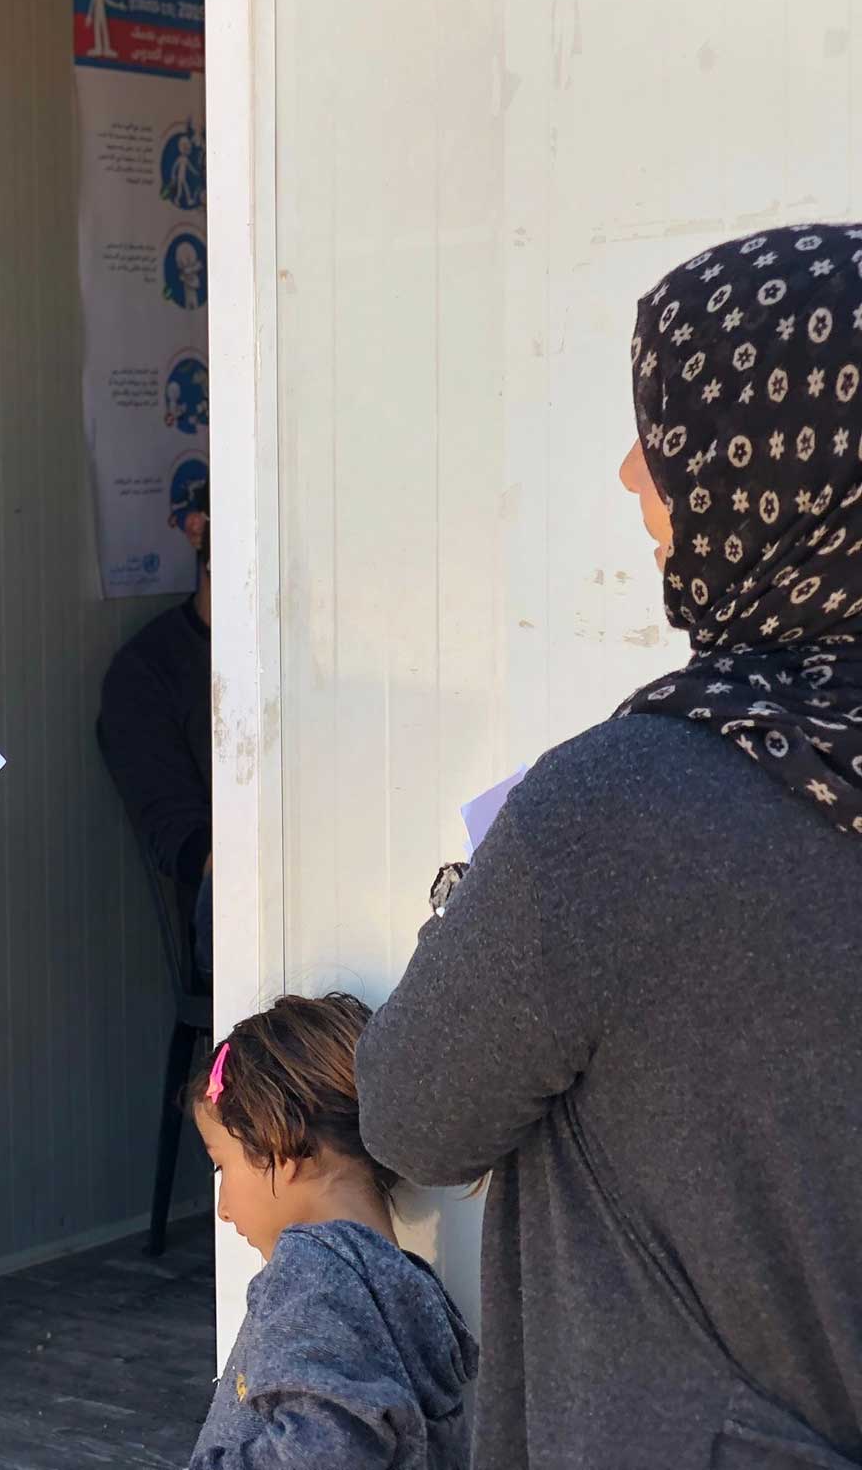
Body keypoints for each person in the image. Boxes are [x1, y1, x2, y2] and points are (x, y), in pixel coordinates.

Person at [356, 223, 862, 1469]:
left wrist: (476, 902)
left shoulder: (617, 810)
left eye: (673, 438)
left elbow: (413, 1117)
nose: (632, 476)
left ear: (775, 478)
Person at [190, 993, 478, 1468]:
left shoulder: (311, 1273)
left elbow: (330, 1446)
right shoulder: (408, 1287)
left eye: (222, 1167)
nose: (222, 1209)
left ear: (281, 1148)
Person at [99, 459, 213, 955]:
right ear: (197, 528)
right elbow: (182, 842)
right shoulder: (147, 670)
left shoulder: (306, 655)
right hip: (235, 934)